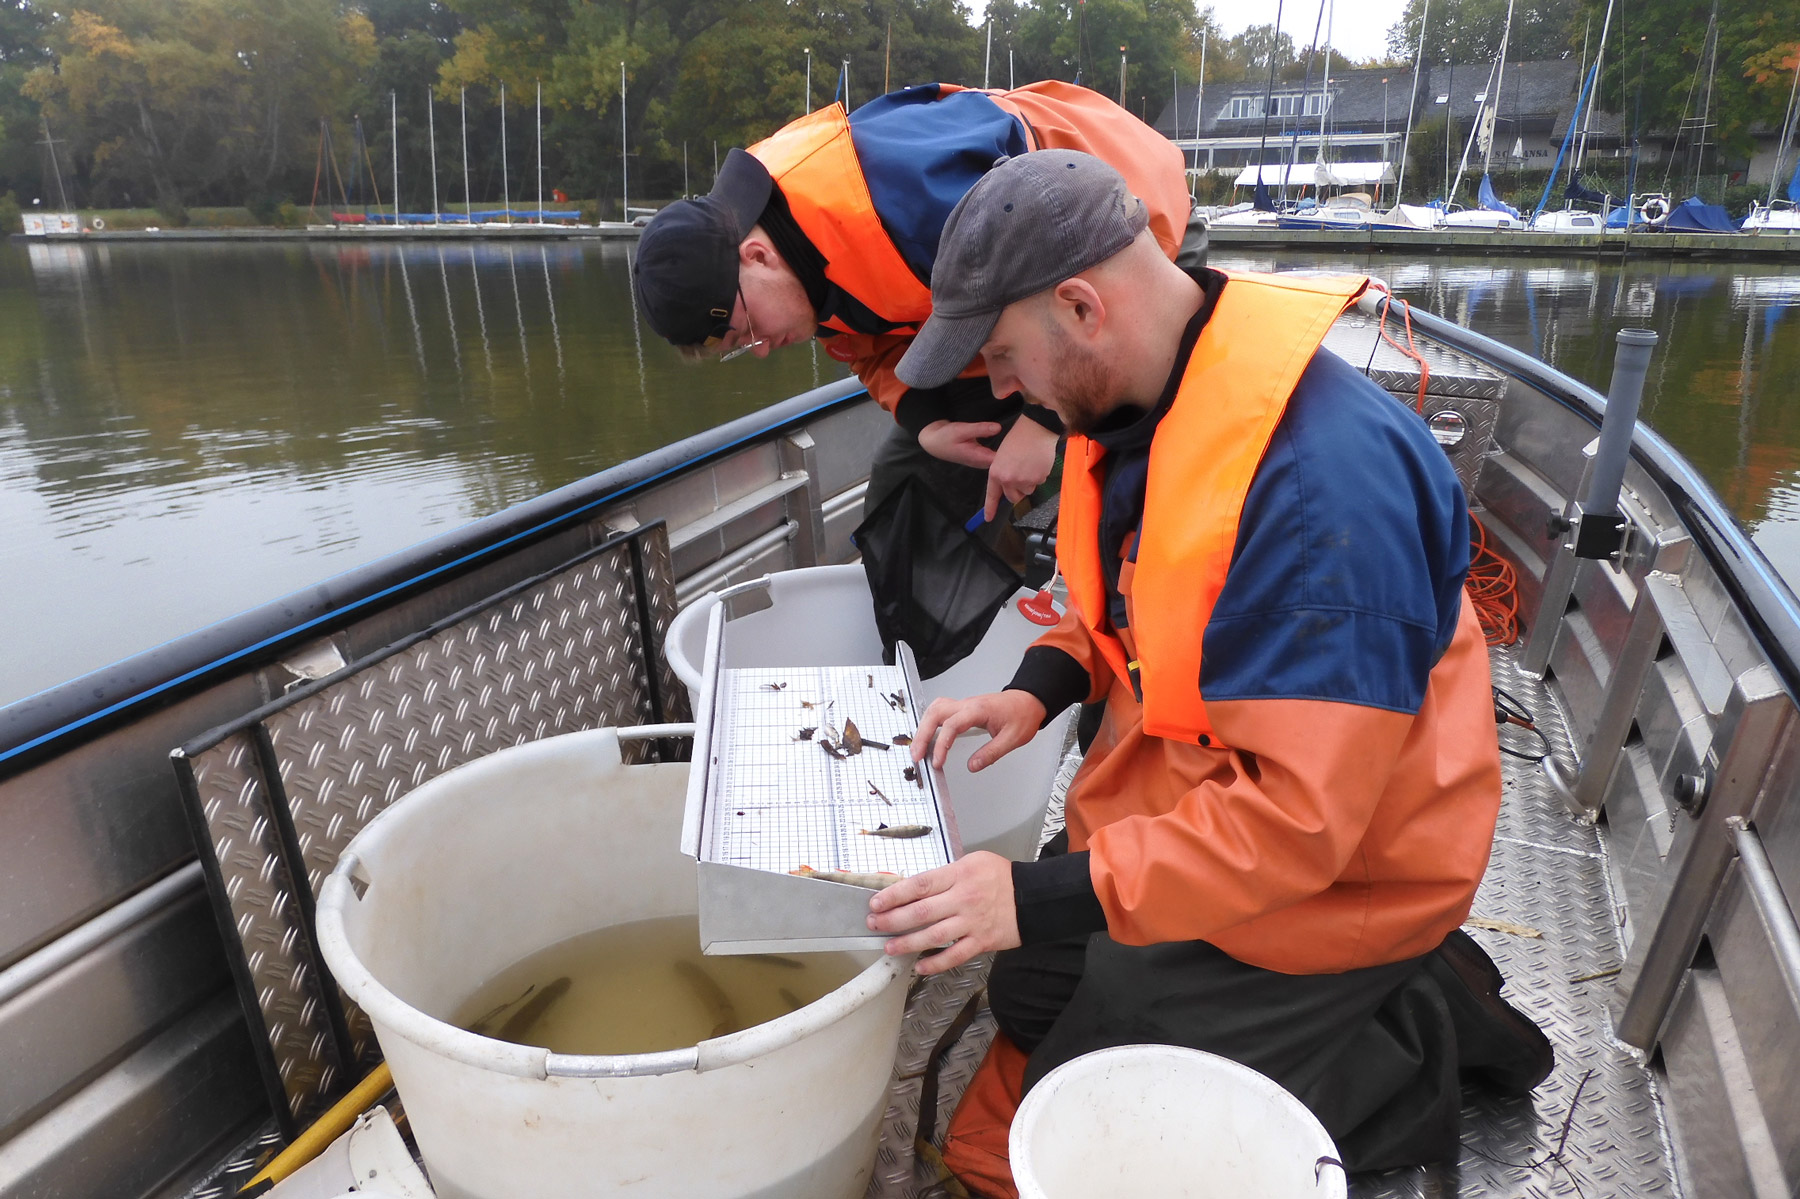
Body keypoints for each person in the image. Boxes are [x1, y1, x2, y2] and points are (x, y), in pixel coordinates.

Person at [862, 150, 1553, 1193]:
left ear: (1083, 306)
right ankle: (1304, 998)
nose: (1000, 389)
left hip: (1332, 877)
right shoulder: (1126, 405)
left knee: (1098, 1113)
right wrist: (1035, 688)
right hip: (1194, 821)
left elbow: (1299, 823)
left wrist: (1039, 891)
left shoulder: (1323, 493)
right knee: (1032, 992)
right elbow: (1121, 617)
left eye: (1002, 354)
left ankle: (1410, 1027)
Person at [630, 81, 1201, 538]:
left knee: (1115, 467)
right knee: (904, 482)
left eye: (745, 332)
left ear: (756, 257)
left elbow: (1076, 303)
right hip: (1005, 313)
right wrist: (925, 422)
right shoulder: (790, 263)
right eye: (738, 350)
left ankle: (1094, 600)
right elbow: (865, 344)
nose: (758, 350)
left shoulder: (920, 201)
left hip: (1131, 233)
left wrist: (1043, 423)